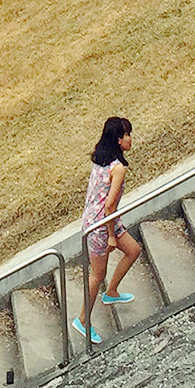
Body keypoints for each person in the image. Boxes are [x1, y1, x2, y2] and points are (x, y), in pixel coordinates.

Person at [74, 116, 141, 344]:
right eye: (127, 135)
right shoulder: (118, 168)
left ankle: (111, 292)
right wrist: (111, 235)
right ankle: (82, 320)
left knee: (133, 250)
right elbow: (109, 204)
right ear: (118, 140)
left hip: (101, 220)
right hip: (101, 225)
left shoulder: (101, 158)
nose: (130, 139)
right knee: (97, 275)